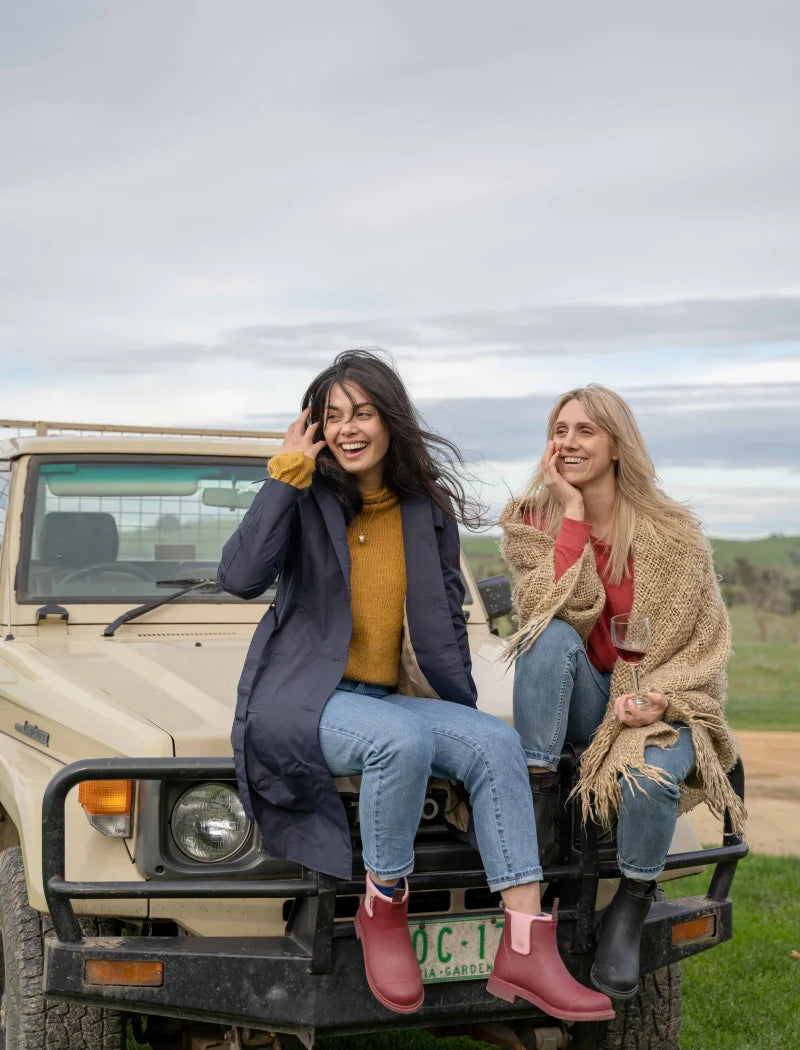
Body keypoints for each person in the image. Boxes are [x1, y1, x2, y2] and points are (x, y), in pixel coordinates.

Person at [218, 350, 614, 1021]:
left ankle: (525, 946)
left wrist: (453, 699)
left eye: (363, 413)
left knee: (493, 743)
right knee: (397, 741)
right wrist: (285, 475)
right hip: (307, 697)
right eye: (334, 415)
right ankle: (384, 908)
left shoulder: (422, 509)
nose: (348, 428)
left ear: (388, 421)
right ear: (315, 425)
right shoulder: (304, 496)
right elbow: (240, 575)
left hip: (391, 697)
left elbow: (443, 615)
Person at [499, 384, 746, 999]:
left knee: (651, 776)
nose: (569, 442)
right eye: (560, 430)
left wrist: (661, 698)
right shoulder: (532, 522)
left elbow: (706, 642)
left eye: (585, 430)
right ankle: (540, 804)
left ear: (616, 444)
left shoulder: (673, 532)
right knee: (548, 638)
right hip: (586, 701)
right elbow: (544, 609)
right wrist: (574, 519)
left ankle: (631, 907)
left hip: (662, 699)